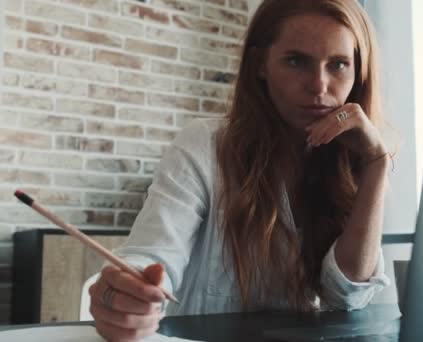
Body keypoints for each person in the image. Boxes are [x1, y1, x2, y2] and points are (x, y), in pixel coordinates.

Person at [88, 0, 394, 340]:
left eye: (338, 65)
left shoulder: (354, 163)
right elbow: (153, 253)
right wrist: (128, 290)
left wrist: (378, 165)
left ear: (359, 73)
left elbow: (346, 295)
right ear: (261, 64)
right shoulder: (205, 145)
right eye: (296, 61)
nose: (319, 86)